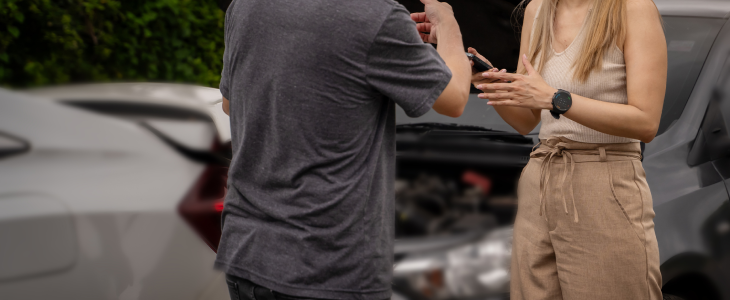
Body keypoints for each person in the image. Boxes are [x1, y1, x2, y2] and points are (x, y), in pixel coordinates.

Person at [216, 0, 477, 299]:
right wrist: (447, 25)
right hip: (330, 267)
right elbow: (455, 98)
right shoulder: (375, 15)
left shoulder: (245, 6)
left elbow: (229, 104)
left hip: (246, 254)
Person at [467, 0, 667, 298]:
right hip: (541, 178)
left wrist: (557, 99)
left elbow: (646, 122)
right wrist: (485, 81)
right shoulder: (537, 10)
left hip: (604, 181)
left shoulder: (632, 8)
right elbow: (526, 120)